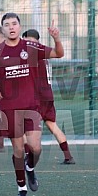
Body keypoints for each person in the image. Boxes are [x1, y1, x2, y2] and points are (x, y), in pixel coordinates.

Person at [0, 13, 64, 196]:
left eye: (14, 24)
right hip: (9, 108)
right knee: (18, 151)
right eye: (7, 25)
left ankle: (30, 168)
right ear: (2, 29)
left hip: (31, 107)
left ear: (19, 27)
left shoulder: (31, 47)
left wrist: (57, 38)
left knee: (36, 148)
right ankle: (22, 188)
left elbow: (58, 53)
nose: (11, 27)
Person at [22, 29, 75, 164]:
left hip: (37, 96)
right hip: (48, 95)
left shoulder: (31, 54)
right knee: (52, 125)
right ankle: (68, 156)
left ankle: (29, 155)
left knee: (24, 126)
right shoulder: (44, 54)